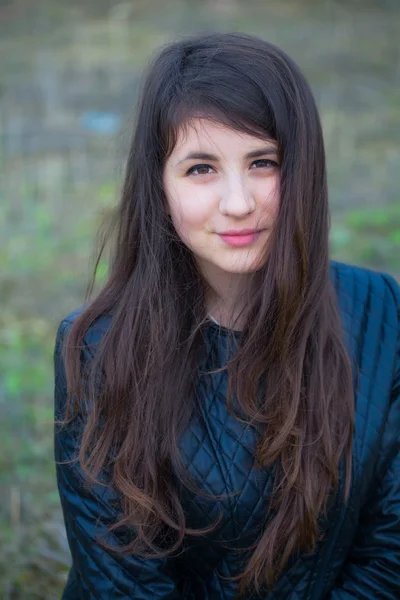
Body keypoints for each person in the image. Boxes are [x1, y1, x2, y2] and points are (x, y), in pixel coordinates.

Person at [53, 32, 400, 599]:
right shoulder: (97, 348)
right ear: (159, 186)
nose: (238, 203)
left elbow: (389, 556)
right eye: (201, 169)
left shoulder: (383, 312)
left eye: (263, 162)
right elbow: (125, 585)